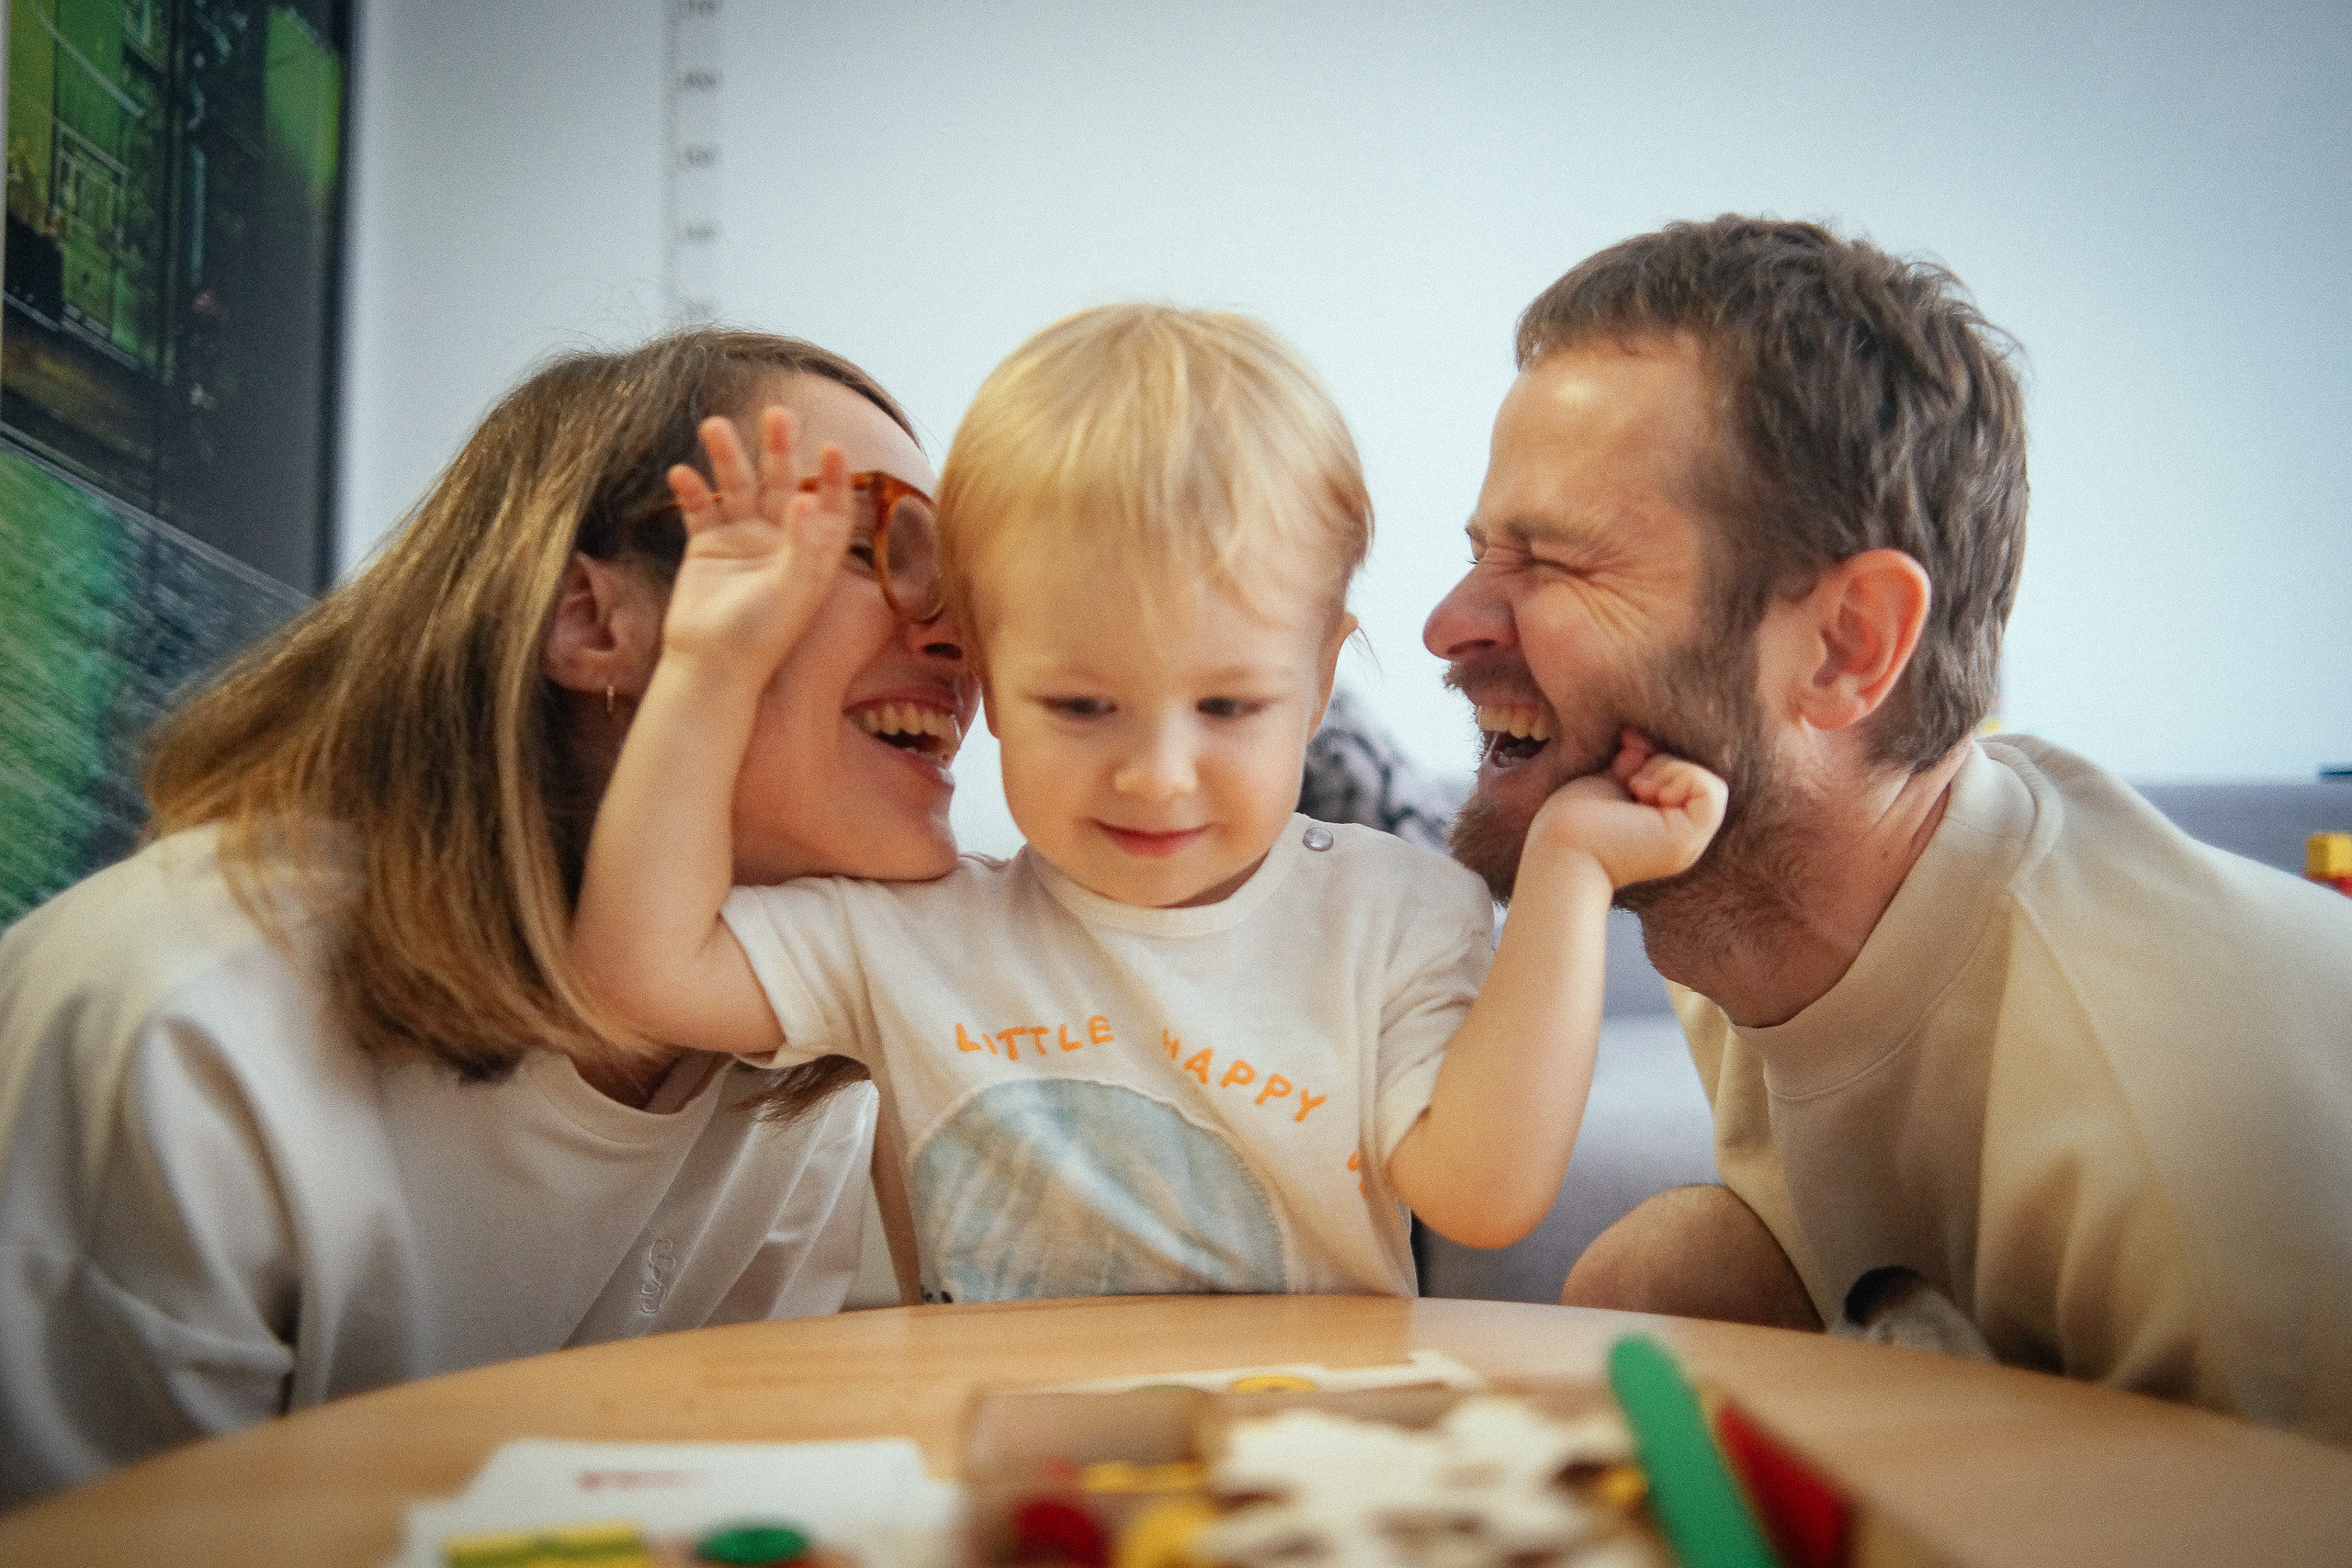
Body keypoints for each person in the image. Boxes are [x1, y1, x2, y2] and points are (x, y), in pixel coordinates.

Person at [571, 303, 1726, 1303]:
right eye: (1081, 707)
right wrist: (710, 668)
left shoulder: (1398, 907)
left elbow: (1481, 1196)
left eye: (1226, 709)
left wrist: (1571, 870)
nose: (1157, 776)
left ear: (1321, 681)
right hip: (1012, 1460)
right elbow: (642, 967)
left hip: (1307, 1457)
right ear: (980, 669)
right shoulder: (907, 929)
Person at [1421, 215, 2352, 1441]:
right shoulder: (1739, 876)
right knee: (1668, 1277)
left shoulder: (2182, 1155)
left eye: (1556, 561)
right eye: (1485, 549)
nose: (1447, 621)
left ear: (1848, 645)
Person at [0, 329, 964, 1508]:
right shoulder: (181, 1027)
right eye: (866, 537)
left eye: (958, 574)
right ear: (590, 622)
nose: (958, 633)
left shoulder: (799, 1081)